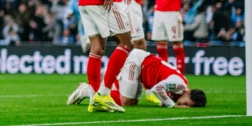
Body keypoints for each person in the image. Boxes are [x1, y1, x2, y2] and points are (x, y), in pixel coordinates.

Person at [68, 49, 206, 109]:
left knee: (132, 102)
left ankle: (103, 89)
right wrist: (172, 105)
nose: (182, 105)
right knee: (126, 101)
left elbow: (162, 90)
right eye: (186, 103)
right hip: (137, 62)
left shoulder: (180, 90)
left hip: (142, 72)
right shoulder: (181, 86)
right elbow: (157, 89)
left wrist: (166, 102)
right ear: (188, 93)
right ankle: (87, 90)